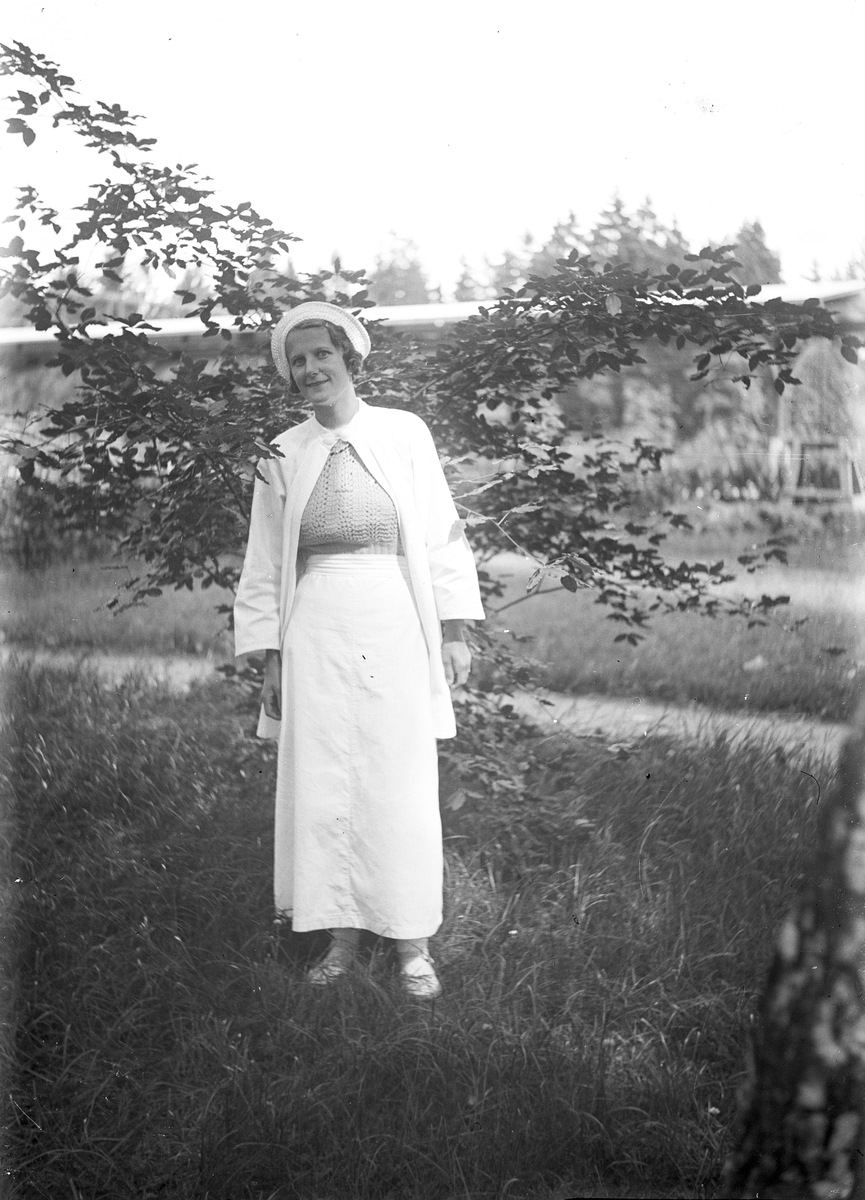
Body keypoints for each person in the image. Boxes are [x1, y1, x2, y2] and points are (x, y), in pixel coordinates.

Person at [234, 301, 485, 998]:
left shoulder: (403, 432)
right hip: (314, 628)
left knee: (396, 779)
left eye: (322, 354)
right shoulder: (282, 452)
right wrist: (270, 657)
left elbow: (439, 531)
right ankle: (340, 936)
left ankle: (411, 943)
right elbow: (264, 562)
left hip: (393, 620)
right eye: (298, 361)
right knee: (324, 781)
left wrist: (455, 629)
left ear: (350, 358)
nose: (310, 368)